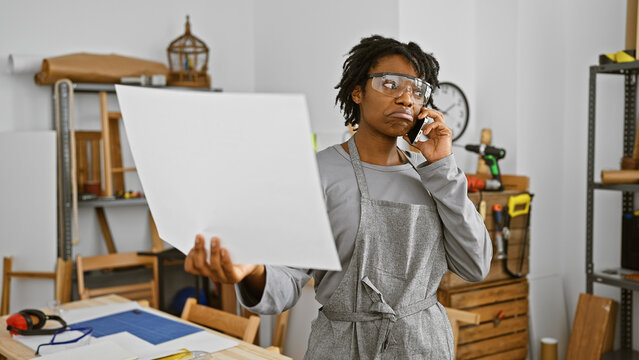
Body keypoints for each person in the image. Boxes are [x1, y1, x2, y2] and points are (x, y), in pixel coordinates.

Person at [184, 35, 492, 359]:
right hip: (343, 348)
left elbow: (475, 266)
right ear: (357, 92)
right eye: (390, 84)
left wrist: (443, 167)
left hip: (423, 347)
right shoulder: (318, 173)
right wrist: (252, 272)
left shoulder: (434, 176)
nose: (405, 98)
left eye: (417, 90)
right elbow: (287, 278)